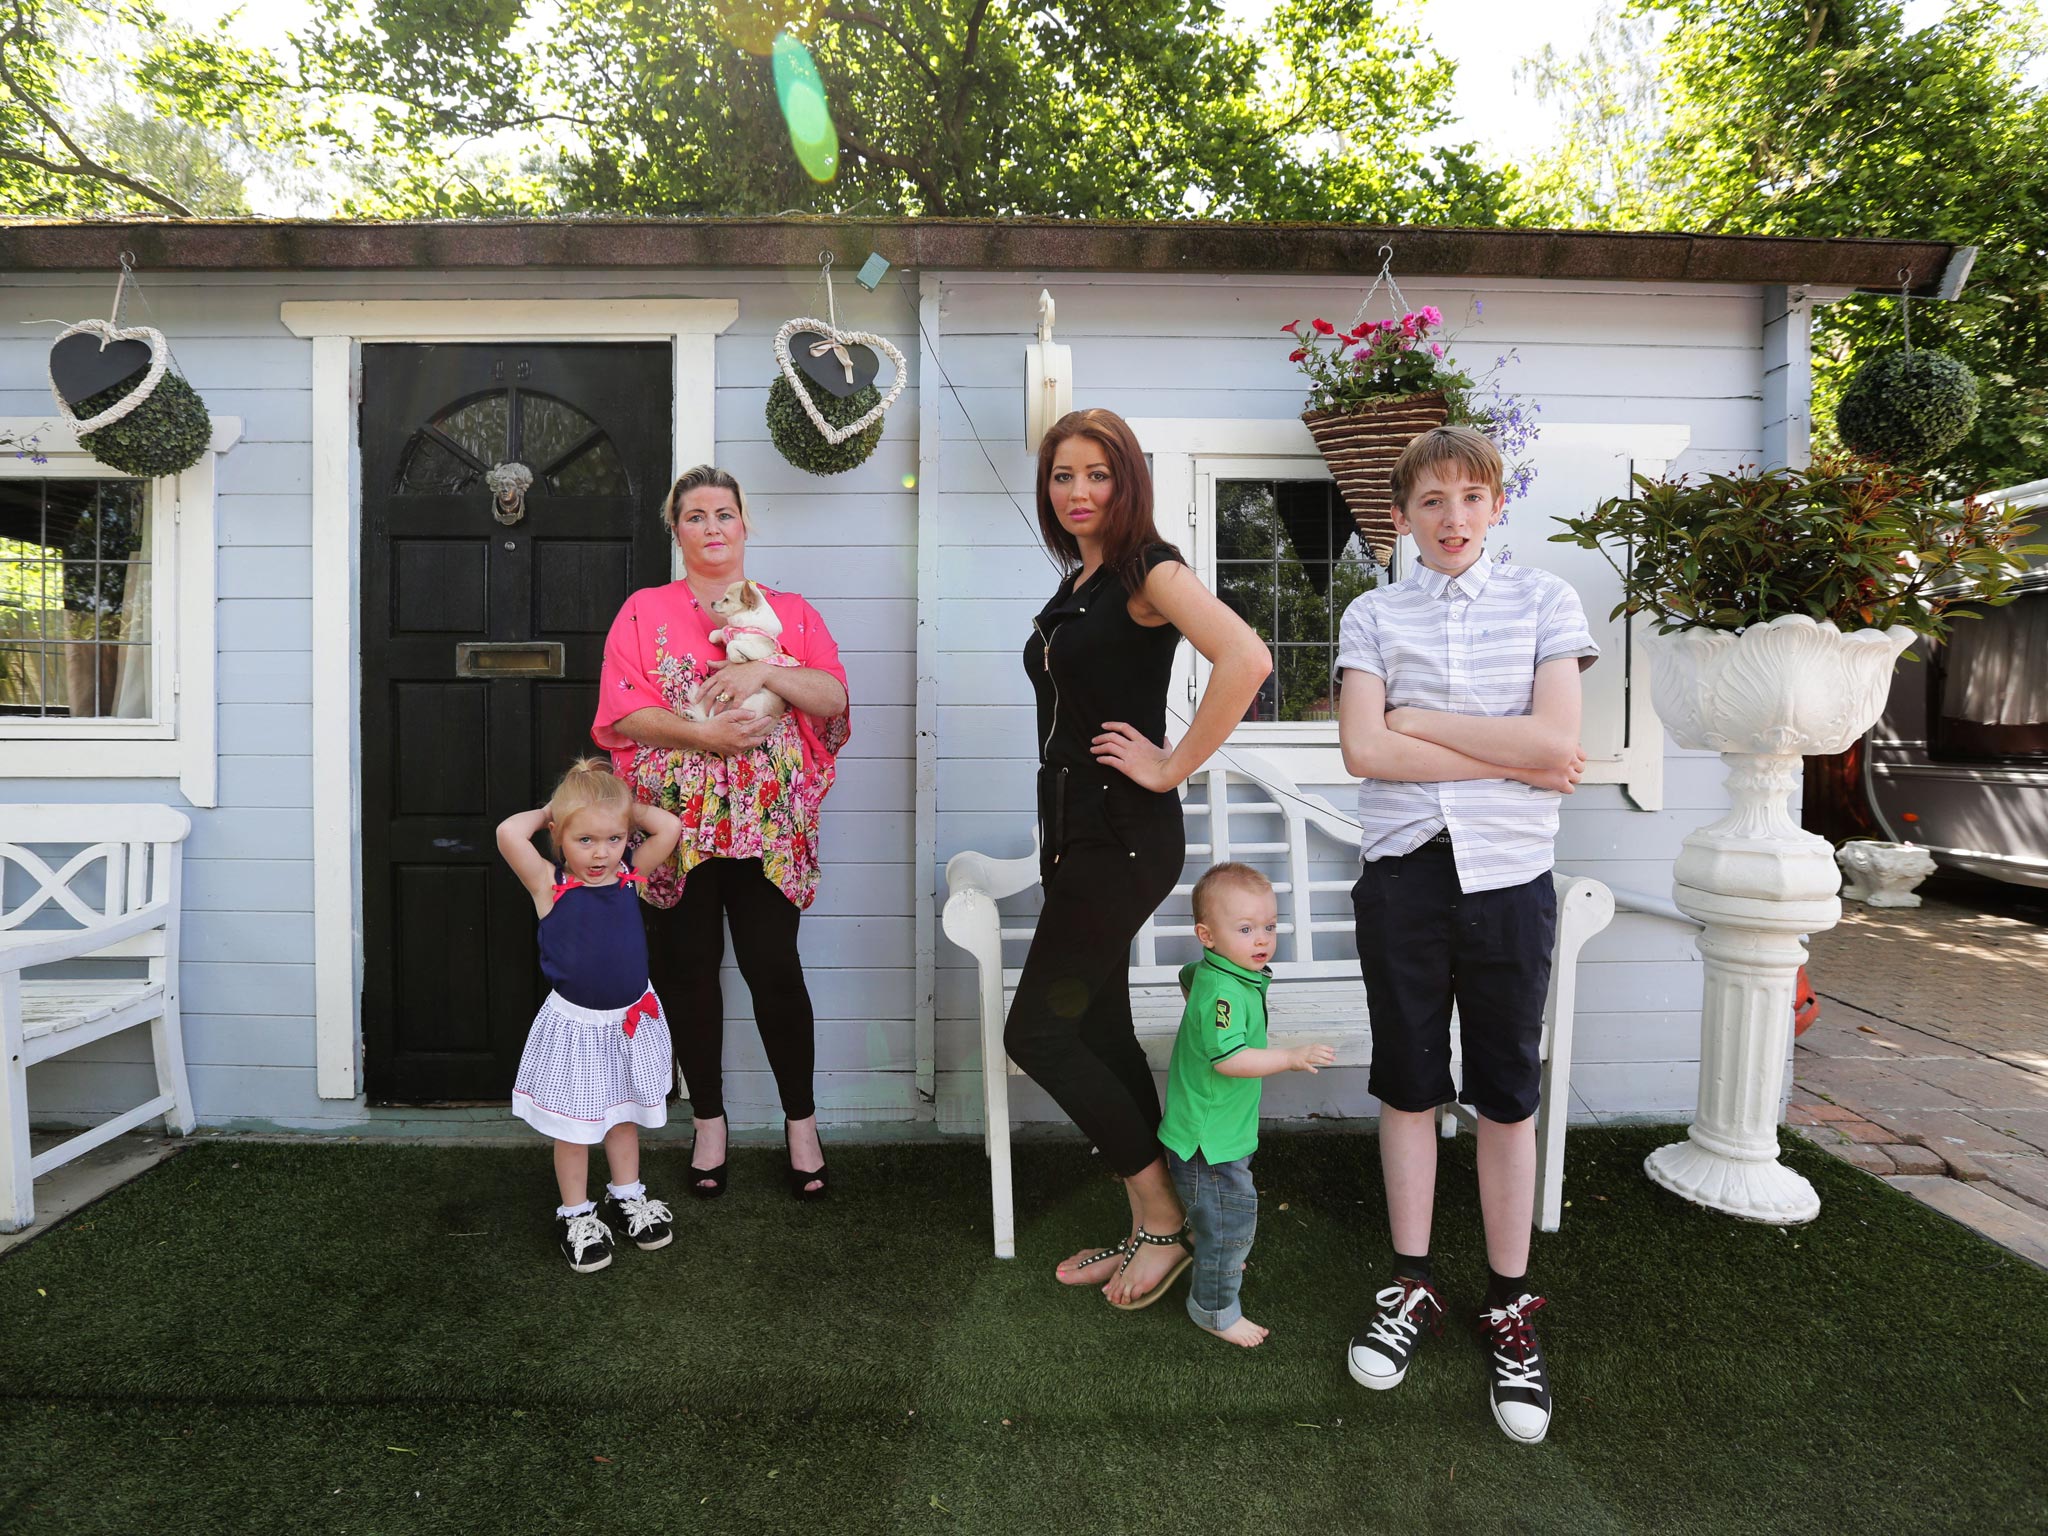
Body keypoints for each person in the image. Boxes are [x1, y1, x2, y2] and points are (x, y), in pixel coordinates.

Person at [1334, 425, 1596, 1445]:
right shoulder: (1371, 613)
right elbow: (1363, 748)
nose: (1451, 519)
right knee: (1408, 1084)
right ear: (1398, 516)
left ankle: (1507, 1306)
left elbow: (1556, 743)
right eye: (1430, 501)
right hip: (1403, 880)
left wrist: (1422, 722)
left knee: (1503, 1094)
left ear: (1496, 508)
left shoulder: (1544, 603)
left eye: (1470, 499)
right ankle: (1409, 1285)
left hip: (1508, 884)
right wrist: (1509, 752)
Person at [1007, 407, 1272, 1309]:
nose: (1078, 492)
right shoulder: (1079, 581)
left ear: (1129, 483)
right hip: (1076, 831)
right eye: (1062, 476)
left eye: (1098, 474)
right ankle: (1149, 1224)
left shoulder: (1148, 571)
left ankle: (1162, 1220)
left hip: (1122, 832)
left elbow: (1246, 655)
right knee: (1096, 1026)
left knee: (1037, 1032)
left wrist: (1173, 763)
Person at [593, 467, 851, 1201]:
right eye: (696, 515)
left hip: (769, 826)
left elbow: (832, 697)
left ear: (745, 525)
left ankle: (800, 1124)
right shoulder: (644, 613)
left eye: (725, 514)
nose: (712, 527)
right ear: (676, 530)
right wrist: (705, 734)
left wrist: (767, 669)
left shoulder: (790, 613)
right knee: (688, 972)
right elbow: (623, 715)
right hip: (679, 827)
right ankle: (709, 1120)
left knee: (774, 968)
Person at [497, 759, 686, 1274]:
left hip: (631, 1021)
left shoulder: (630, 877)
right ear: (559, 836)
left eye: (614, 838)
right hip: (577, 1029)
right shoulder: (548, 884)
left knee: (622, 1117)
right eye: (584, 840)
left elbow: (668, 826)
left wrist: (622, 808)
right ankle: (576, 1214)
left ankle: (627, 1196)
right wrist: (553, 811)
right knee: (577, 1127)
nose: (601, 852)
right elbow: (508, 832)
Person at [1158, 862, 1336, 1347]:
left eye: (1269, 927)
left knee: (1218, 1215)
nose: (1262, 939)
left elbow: (1185, 974)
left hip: (1221, 1132)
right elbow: (1229, 1058)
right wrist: (1290, 1057)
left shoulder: (1222, 973)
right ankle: (1214, 1310)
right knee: (1233, 1223)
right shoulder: (1224, 991)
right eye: (1245, 929)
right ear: (1206, 934)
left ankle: (1209, 1245)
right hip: (1208, 1140)